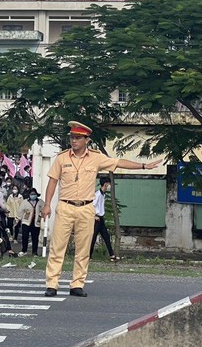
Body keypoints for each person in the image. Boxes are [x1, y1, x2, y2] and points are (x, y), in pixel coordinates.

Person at [42, 121, 162, 297]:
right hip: (65, 206)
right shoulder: (62, 158)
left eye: (77, 138)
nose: (73, 141)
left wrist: (144, 166)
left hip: (86, 208)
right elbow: (52, 181)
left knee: (83, 249)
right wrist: (47, 204)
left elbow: (118, 162)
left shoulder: (96, 158)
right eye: (72, 137)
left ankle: (77, 284)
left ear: (86, 140)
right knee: (57, 247)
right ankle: (52, 284)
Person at [90, 177, 119, 261]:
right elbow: (91, 205)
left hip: (101, 218)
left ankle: (112, 255)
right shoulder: (97, 194)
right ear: (105, 184)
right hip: (96, 219)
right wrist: (94, 216)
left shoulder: (103, 194)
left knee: (106, 236)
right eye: (109, 184)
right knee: (93, 237)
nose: (109, 186)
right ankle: (88, 255)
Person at [19, 188, 44, 256]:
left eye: (34, 194)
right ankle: (24, 250)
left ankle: (34, 252)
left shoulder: (40, 202)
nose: (33, 195)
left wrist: (42, 216)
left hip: (36, 222)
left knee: (35, 237)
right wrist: (18, 218)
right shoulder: (25, 202)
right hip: (26, 221)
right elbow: (20, 211)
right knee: (25, 236)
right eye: (31, 194)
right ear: (29, 195)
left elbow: (44, 210)